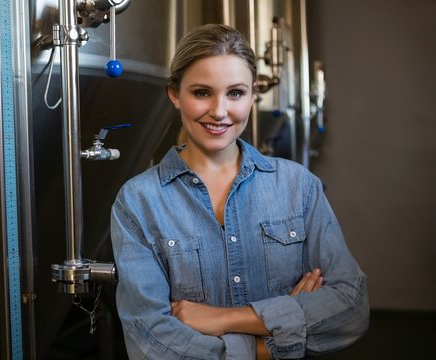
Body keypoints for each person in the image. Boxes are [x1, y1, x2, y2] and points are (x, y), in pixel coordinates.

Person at [110, 23, 369, 359]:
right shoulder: (138, 202)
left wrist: (224, 319)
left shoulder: (297, 185)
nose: (219, 111)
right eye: (202, 92)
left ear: (253, 93)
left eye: (235, 93)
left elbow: (351, 307)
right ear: (175, 94)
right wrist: (280, 331)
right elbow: (151, 343)